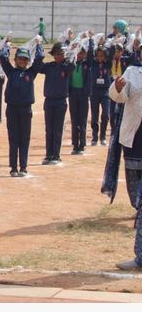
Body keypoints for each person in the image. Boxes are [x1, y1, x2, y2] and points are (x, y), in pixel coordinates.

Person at [111, 70, 142, 272]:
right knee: (136, 201)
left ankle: (140, 257)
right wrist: (118, 87)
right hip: (134, 144)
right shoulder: (133, 72)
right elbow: (117, 97)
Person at [0, 40, 45, 176]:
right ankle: (13, 167)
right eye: (20, 58)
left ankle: (23, 166)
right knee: (13, 139)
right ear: (15, 59)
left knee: (24, 139)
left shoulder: (31, 73)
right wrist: (7, 46)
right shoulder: (11, 72)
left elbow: (40, 58)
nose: (23, 61)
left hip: (26, 110)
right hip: (12, 109)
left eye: (25, 59)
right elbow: (2, 57)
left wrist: (39, 45)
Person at [39, 42, 74, 164]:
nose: (58, 56)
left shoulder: (66, 67)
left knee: (57, 129)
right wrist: (38, 48)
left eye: (61, 54)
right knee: (49, 129)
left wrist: (70, 51)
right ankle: (48, 154)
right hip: (49, 101)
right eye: (56, 54)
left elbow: (72, 65)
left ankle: (56, 155)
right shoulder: (49, 66)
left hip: (60, 101)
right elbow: (38, 66)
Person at [68, 38, 94, 155]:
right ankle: (75, 144)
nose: (79, 55)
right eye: (78, 53)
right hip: (73, 93)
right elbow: (67, 54)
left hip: (83, 95)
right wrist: (73, 45)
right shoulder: (71, 64)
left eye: (82, 53)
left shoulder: (87, 65)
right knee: (74, 120)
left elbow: (91, 54)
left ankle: (82, 144)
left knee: (82, 120)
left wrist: (90, 40)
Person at [90, 45, 111, 146]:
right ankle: (94, 137)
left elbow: (111, 53)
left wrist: (109, 43)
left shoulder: (108, 64)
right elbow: (89, 55)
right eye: (98, 56)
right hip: (94, 92)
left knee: (105, 114)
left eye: (102, 56)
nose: (100, 58)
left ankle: (103, 136)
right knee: (94, 115)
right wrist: (91, 42)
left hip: (105, 92)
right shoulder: (93, 64)